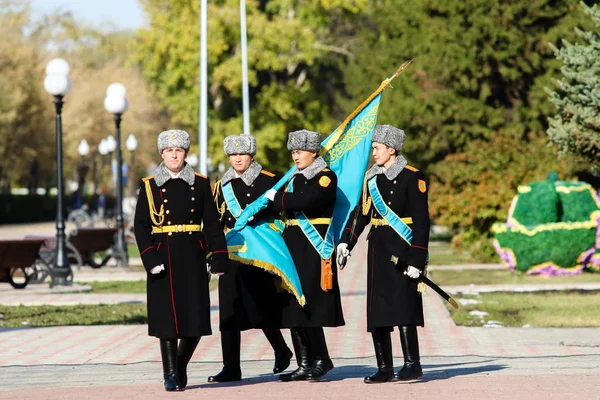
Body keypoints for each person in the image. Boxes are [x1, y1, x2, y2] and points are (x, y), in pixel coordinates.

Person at [134, 129, 230, 392]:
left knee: (196, 317)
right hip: (162, 253)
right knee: (166, 318)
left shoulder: (199, 183)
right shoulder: (149, 185)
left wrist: (218, 256)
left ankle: (180, 363)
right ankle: (170, 373)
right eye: (169, 151)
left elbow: (211, 223)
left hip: (192, 253)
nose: (174, 155)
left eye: (178, 151)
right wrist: (149, 258)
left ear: (185, 153)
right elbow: (141, 226)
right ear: (162, 154)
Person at [337, 124, 430, 383]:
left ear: (391, 149)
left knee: (403, 306)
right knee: (378, 309)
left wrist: (417, 259)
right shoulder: (371, 178)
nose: (373, 153)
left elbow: (422, 223)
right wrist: (347, 242)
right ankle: (384, 367)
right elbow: (361, 214)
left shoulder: (413, 177)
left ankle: (413, 364)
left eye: (377, 148)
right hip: (378, 251)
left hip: (403, 250)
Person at [208, 134, 293, 382]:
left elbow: (282, 217)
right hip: (233, 251)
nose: (237, 159)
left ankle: (281, 349)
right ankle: (231, 366)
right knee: (229, 310)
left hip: (261, 253)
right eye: (233, 155)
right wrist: (213, 253)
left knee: (260, 305)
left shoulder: (270, 181)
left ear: (251, 155)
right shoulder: (221, 186)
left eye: (241, 154)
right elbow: (216, 222)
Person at [264, 129, 345, 382]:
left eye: (299, 152)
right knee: (292, 306)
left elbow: (307, 203)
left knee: (310, 305)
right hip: (292, 247)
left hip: (313, 247)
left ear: (313, 152)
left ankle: (322, 359)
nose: (295, 156)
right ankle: (304, 362)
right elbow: (292, 203)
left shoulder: (325, 177)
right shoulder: (293, 178)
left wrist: (277, 198)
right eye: (293, 152)